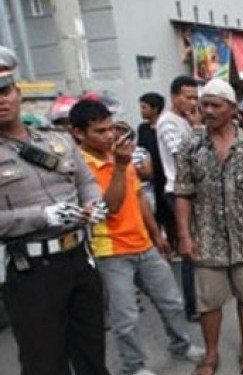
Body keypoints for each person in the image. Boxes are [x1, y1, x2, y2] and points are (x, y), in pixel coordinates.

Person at [71, 100, 205, 375]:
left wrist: (157, 234)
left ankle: (180, 344)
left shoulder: (119, 154)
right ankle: (133, 366)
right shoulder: (79, 166)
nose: (110, 136)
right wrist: (120, 166)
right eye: (100, 131)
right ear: (78, 133)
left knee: (171, 301)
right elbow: (111, 206)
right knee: (126, 318)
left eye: (111, 128)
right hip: (110, 251)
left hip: (143, 244)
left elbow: (138, 196)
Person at [0, 46, 111, 375]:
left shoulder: (55, 139)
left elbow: (86, 180)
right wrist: (41, 217)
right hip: (31, 270)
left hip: (79, 257)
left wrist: (93, 203)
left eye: (4, 90)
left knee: (92, 353)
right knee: (45, 363)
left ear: (17, 92)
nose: (0, 100)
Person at [174, 78, 243, 375]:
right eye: (204, 104)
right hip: (206, 238)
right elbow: (183, 193)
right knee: (209, 302)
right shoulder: (191, 145)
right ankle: (210, 354)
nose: (207, 110)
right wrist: (184, 235)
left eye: (215, 105)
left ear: (232, 108)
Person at [157, 75, 200, 322]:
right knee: (188, 249)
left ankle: (200, 298)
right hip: (179, 191)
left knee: (196, 246)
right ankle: (191, 306)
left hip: (191, 190)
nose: (193, 102)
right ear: (175, 97)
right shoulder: (168, 123)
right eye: (188, 97)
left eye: (195, 97)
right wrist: (195, 129)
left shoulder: (185, 120)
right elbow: (181, 156)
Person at [137, 93, 170, 227]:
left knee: (169, 219)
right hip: (150, 181)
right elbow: (141, 151)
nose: (141, 111)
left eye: (144, 107)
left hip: (164, 178)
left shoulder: (166, 128)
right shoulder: (143, 129)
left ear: (155, 109)